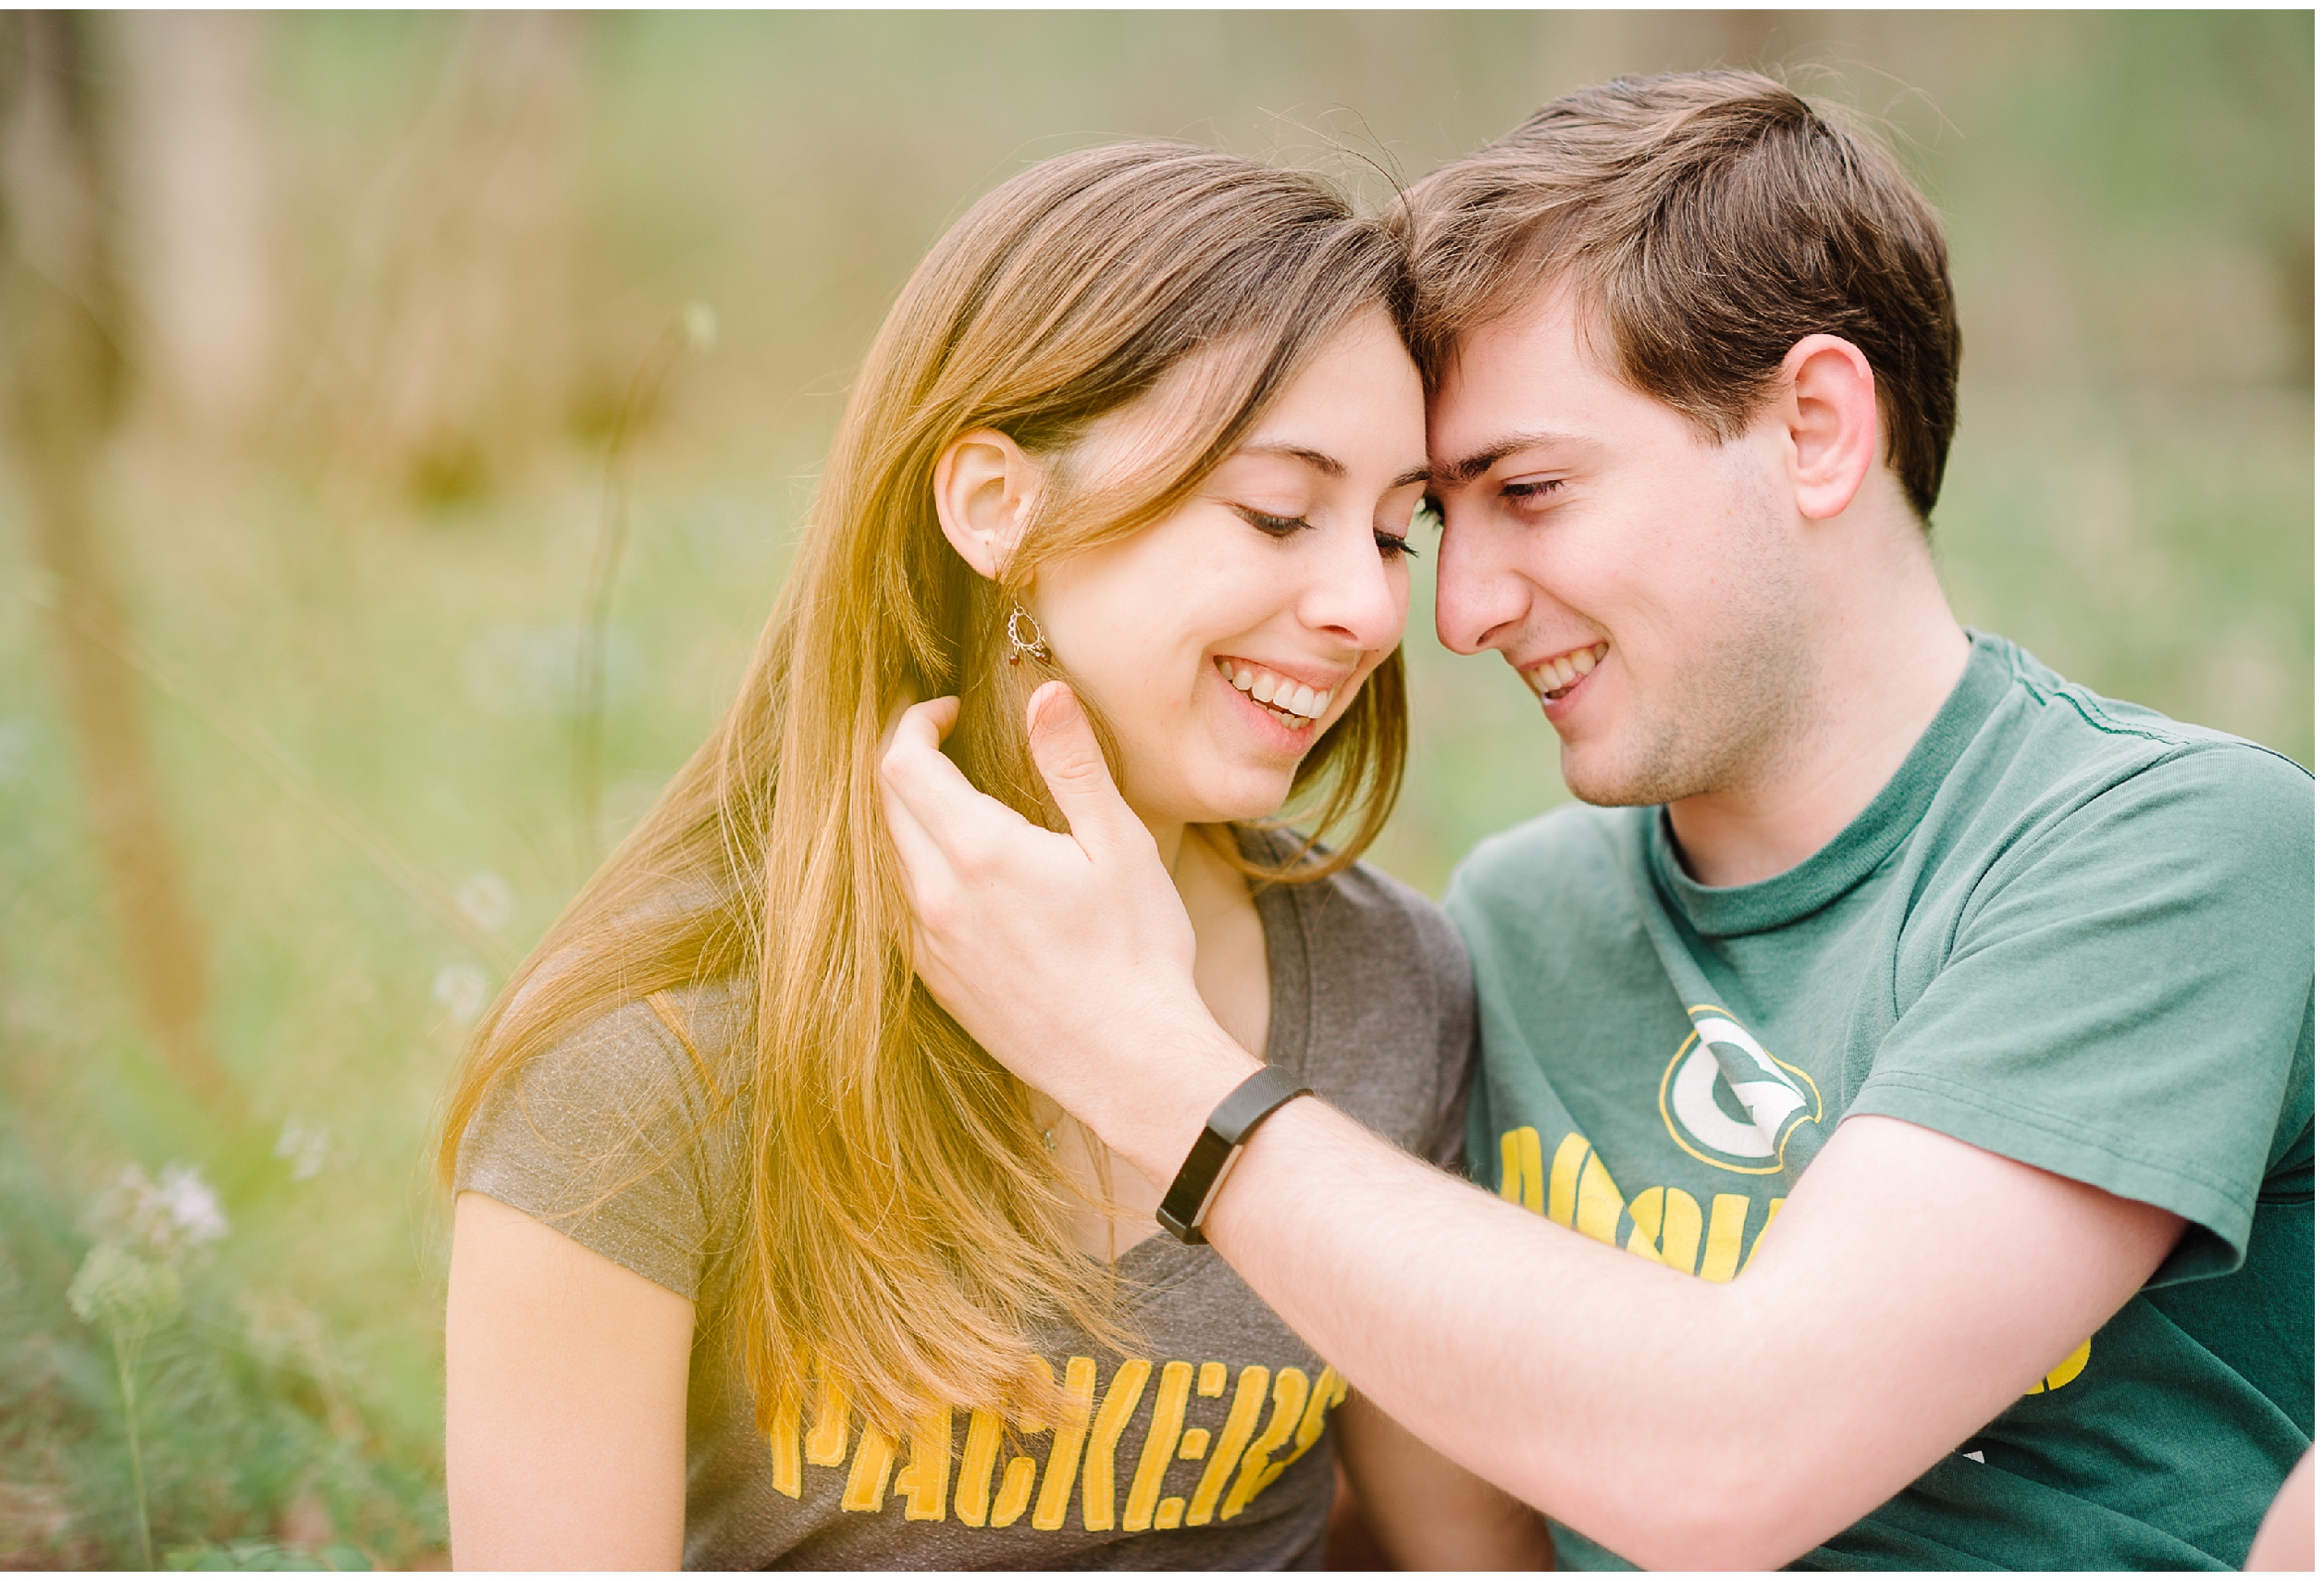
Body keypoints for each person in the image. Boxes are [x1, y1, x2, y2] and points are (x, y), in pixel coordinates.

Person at [880, 72, 2315, 1570]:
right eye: (1441, 517)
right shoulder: (1516, 921)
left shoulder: (2171, 851)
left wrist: (1147, 1059)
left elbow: (1736, 1459)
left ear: (1816, 427)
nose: (1456, 609)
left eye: (1535, 489)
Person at [438, 140, 1548, 1569]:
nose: (1365, 606)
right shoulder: (653, 1048)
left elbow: (1468, 1553)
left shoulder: (1391, 985)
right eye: (1277, 509)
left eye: (1397, 533)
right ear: (993, 505)